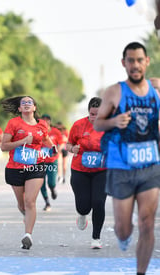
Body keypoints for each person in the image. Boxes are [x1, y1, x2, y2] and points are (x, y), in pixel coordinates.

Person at [94, 42, 160, 274]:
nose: (135, 65)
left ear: (146, 62)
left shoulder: (156, 91)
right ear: (124, 63)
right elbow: (98, 123)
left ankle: (140, 272)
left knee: (147, 222)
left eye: (139, 60)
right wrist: (114, 121)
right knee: (124, 229)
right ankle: (123, 235)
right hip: (121, 166)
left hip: (150, 166)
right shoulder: (115, 91)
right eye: (130, 60)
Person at [1, 95, 56, 250]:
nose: (26, 104)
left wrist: (52, 147)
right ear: (19, 108)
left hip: (36, 166)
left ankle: (27, 235)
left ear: (34, 108)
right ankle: (27, 216)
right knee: (22, 203)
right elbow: (4, 146)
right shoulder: (13, 123)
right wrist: (22, 141)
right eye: (23, 103)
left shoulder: (42, 125)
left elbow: (45, 140)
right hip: (15, 168)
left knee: (30, 201)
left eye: (29, 103)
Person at [66, 97, 107, 249]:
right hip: (80, 170)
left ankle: (96, 238)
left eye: (98, 114)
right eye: (92, 114)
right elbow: (68, 144)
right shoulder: (78, 125)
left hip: (102, 170)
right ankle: (82, 214)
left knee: (98, 202)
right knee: (83, 206)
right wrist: (72, 149)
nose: (94, 117)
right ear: (88, 112)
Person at [40, 114, 62, 211]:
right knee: (41, 183)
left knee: (51, 182)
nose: (45, 121)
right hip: (40, 161)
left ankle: (52, 189)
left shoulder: (55, 132)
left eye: (47, 120)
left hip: (52, 161)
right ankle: (47, 202)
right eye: (43, 120)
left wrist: (57, 150)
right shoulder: (37, 131)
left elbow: (61, 144)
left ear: (50, 121)